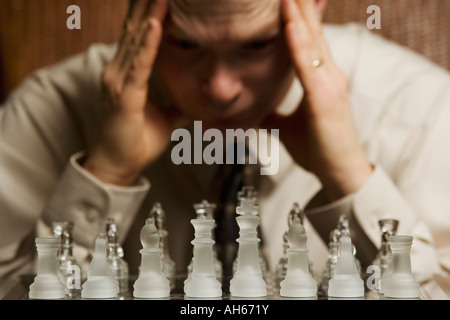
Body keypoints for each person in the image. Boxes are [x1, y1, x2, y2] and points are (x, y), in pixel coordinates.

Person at [0, 0, 449, 287]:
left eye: (257, 45)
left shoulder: (418, 109)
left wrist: (352, 181)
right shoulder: (50, 111)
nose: (220, 88)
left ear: (313, 6)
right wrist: (103, 176)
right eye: (185, 44)